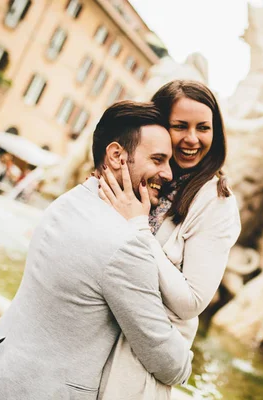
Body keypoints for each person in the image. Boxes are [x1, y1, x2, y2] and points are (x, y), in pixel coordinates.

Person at [0, 101, 192, 399]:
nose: (168, 173)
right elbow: (169, 363)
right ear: (117, 155)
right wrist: (186, 359)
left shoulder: (70, 200)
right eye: (158, 159)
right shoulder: (125, 244)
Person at [98, 80, 241, 399]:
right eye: (180, 126)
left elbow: (191, 302)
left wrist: (139, 229)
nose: (192, 139)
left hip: (136, 369)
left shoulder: (216, 200)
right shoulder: (140, 175)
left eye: (203, 127)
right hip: (91, 348)